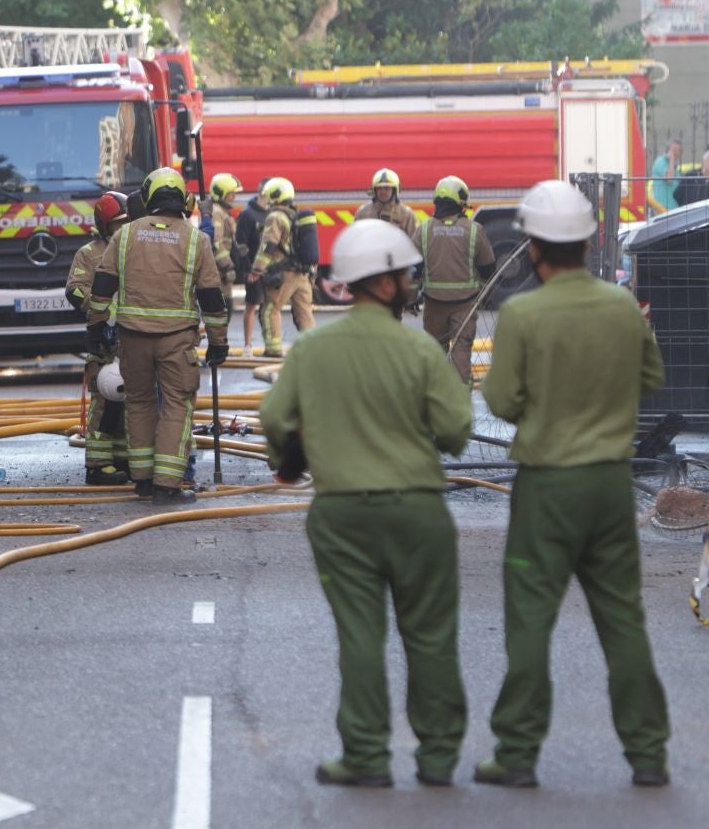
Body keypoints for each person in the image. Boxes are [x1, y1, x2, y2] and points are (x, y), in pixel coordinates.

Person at [261, 221, 473, 788]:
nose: (409, 283)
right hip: (418, 515)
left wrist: (293, 456)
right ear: (382, 284)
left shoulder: (312, 350)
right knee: (429, 636)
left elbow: (274, 419)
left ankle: (365, 757)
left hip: (342, 515)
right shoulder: (420, 350)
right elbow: (456, 432)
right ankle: (437, 758)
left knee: (360, 637)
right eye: (404, 275)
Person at [474, 180, 670, 790]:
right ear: (588, 241)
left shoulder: (523, 315)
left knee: (531, 619)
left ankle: (517, 754)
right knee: (623, 620)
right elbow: (653, 379)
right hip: (612, 485)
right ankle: (647, 754)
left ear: (533, 247)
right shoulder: (620, 307)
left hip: (547, 488)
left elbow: (502, 400)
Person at [87, 167, 228, 505]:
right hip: (177, 341)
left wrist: (95, 328)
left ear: (148, 198)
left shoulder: (125, 235)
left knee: (139, 403)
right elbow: (211, 297)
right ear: (184, 199)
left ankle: (144, 480)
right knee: (177, 406)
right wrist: (219, 342)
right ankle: (167, 484)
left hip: (132, 338)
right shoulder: (196, 239)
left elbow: (103, 285)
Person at [66, 190, 131, 485]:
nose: (123, 228)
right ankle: (98, 464)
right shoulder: (89, 254)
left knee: (131, 403)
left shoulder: (134, 248)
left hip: (131, 337)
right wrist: (101, 314)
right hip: (104, 341)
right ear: (105, 226)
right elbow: (75, 289)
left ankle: (124, 459)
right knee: (105, 402)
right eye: (118, 224)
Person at [415, 177, 496, 384]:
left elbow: (413, 270)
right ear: (461, 203)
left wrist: (410, 298)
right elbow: (489, 268)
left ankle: (437, 395)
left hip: (433, 303)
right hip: (465, 304)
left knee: (435, 351)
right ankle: (460, 401)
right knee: (461, 350)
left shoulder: (423, 230)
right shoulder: (474, 230)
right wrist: (485, 293)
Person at [249, 178, 316, 357]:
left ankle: (273, 349)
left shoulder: (275, 216)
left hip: (283, 275)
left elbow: (269, 246)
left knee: (270, 310)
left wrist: (256, 269)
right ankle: (312, 351)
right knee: (304, 313)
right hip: (303, 275)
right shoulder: (296, 215)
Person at [235, 186, 268, 348]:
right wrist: (248, 270)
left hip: (270, 269)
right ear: (263, 193)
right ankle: (248, 346)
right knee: (252, 305)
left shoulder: (272, 213)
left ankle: (270, 342)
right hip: (254, 271)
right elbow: (241, 245)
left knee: (270, 308)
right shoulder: (247, 215)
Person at [207, 173, 242, 320]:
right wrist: (228, 266)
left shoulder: (222, 212)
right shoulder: (216, 213)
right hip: (219, 271)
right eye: (231, 194)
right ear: (221, 194)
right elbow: (216, 243)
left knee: (225, 310)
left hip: (221, 271)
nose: (234, 197)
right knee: (223, 311)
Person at [355, 168, 419, 240]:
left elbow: (415, 242)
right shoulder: (363, 213)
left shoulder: (406, 214)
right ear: (374, 190)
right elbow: (355, 240)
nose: (383, 192)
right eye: (379, 188)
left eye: (387, 188)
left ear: (394, 190)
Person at [649, 140, 682, 212]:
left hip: (673, 207)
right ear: (668, 150)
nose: (676, 152)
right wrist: (672, 159)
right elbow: (669, 180)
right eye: (674, 150)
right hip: (662, 208)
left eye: (679, 150)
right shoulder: (660, 161)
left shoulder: (673, 165)